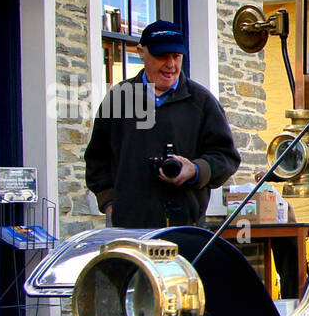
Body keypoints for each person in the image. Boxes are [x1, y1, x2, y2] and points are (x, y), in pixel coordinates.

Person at [85, 20, 240, 228]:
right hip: (127, 229)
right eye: (162, 56)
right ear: (141, 52)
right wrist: (110, 203)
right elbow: (97, 160)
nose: (171, 65)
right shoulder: (118, 99)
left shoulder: (202, 102)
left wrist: (194, 169)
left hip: (185, 227)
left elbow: (226, 158)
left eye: (176, 56)